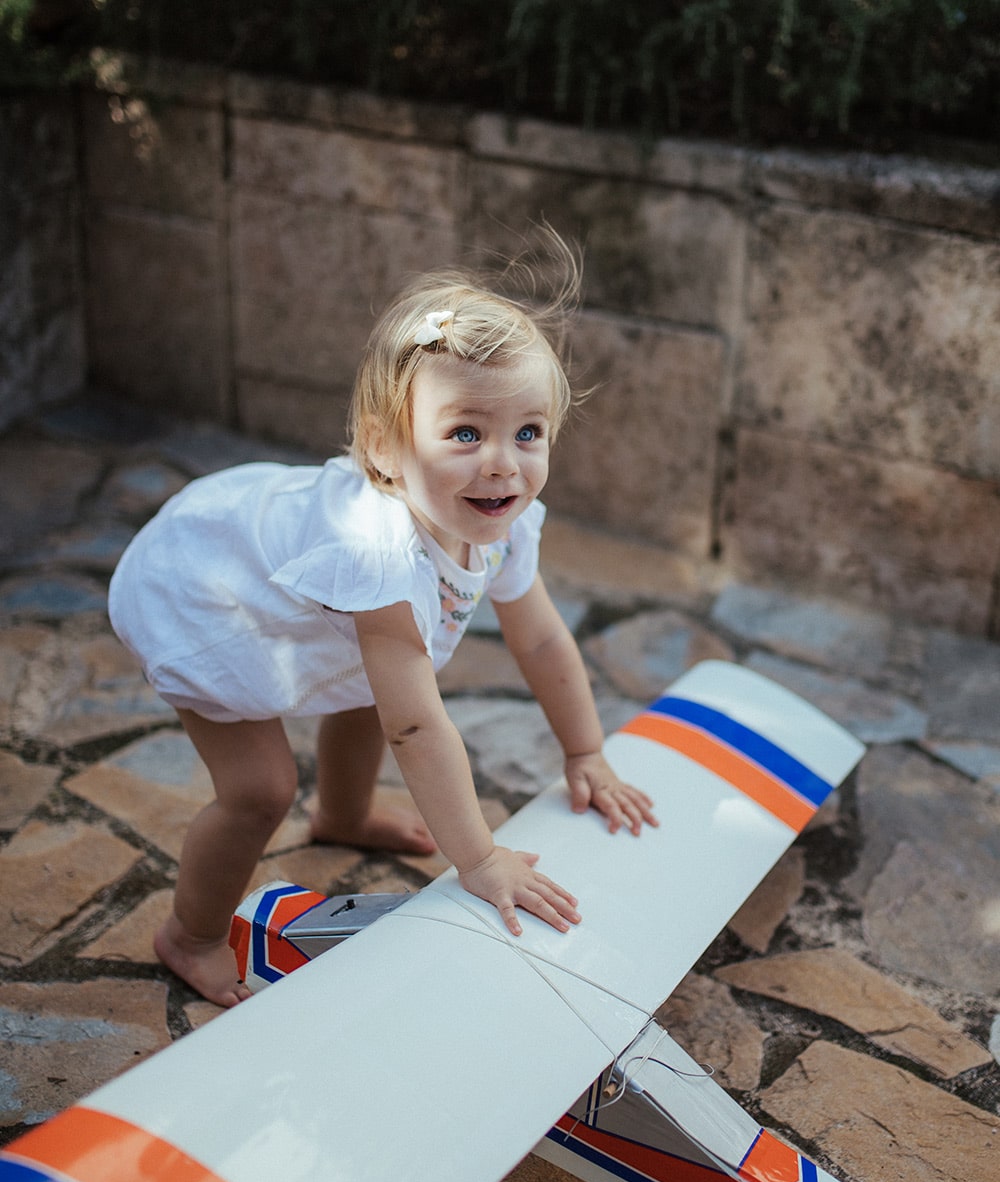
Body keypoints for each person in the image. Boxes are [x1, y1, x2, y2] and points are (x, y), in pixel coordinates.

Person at [109, 234, 657, 1008]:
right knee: (260, 790)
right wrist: (479, 858)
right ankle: (189, 935)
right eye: (466, 432)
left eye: (527, 433)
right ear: (386, 449)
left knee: (379, 678)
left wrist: (588, 751)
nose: (503, 462)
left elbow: (537, 637)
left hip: (259, 561)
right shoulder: (381, 554)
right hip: (197, 592)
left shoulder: (506, 521)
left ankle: (343, 812)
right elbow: (418, 729)